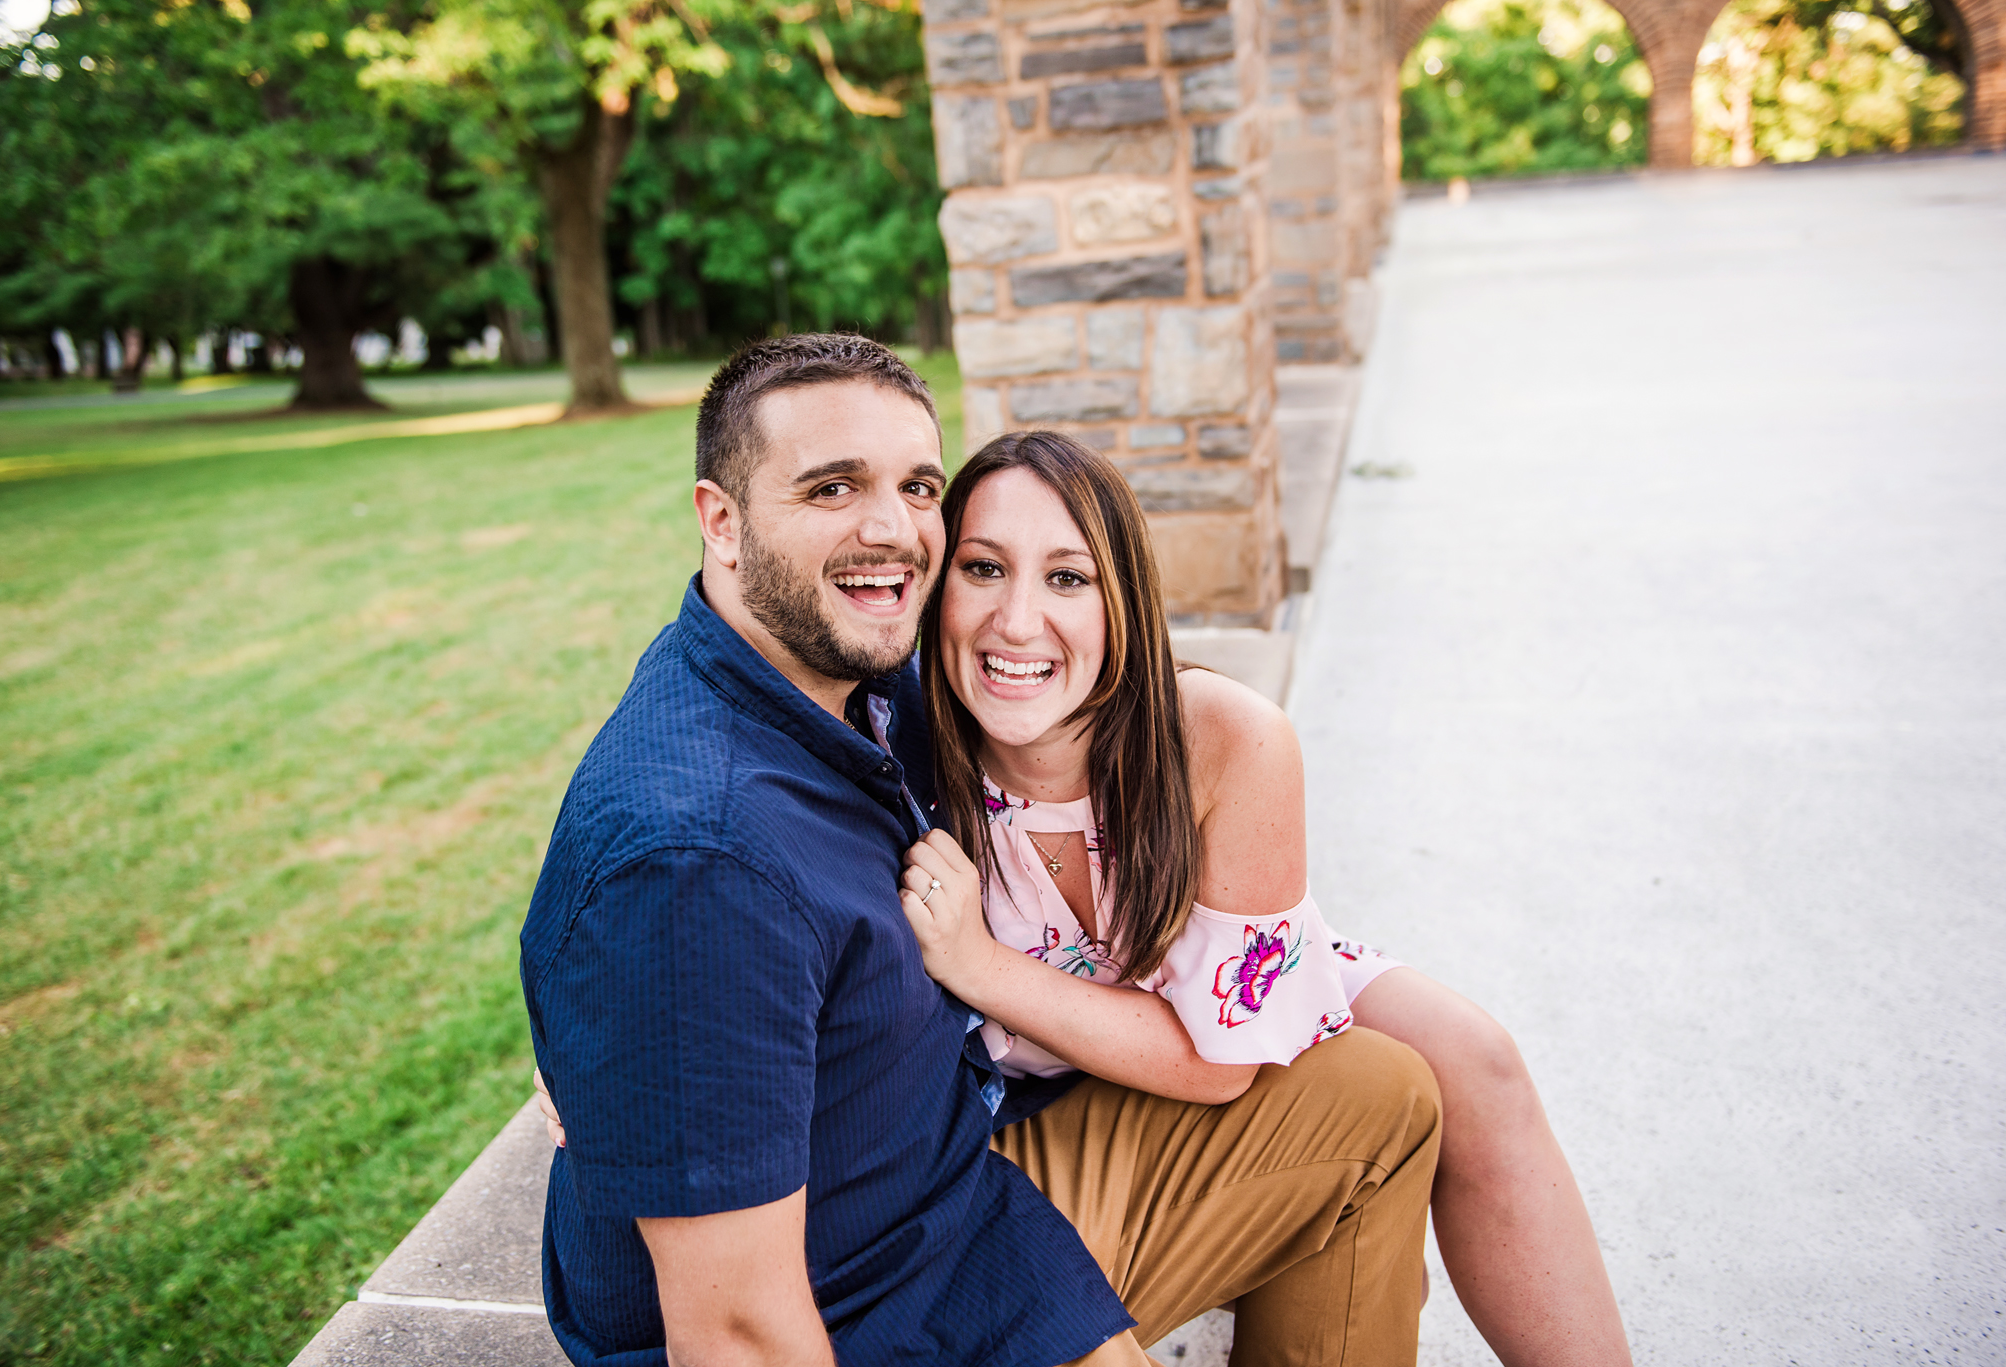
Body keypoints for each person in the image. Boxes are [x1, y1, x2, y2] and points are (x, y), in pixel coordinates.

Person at [520, 335, 1441, 1367]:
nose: (891, 529)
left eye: (917, 486)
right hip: (859, 1296)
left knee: (1380, 1094)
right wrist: (612, 1029)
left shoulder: (853, 683)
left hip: (941, 1207)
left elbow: (1054, 685)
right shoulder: (698, 862)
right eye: (830, 487)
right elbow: (738, 1331)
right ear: (720, 522)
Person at [894, 431, 1633, 1367]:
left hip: (1206, 1015)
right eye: (984, 567)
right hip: (1042, 1100)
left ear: (1124, 600)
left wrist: (982, 966)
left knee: (1471, 1059)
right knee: (1375, 1115)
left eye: (1068, 578)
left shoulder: (1222, 737)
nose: (1016, 619)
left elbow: (1221, 1056)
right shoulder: (906, 756)